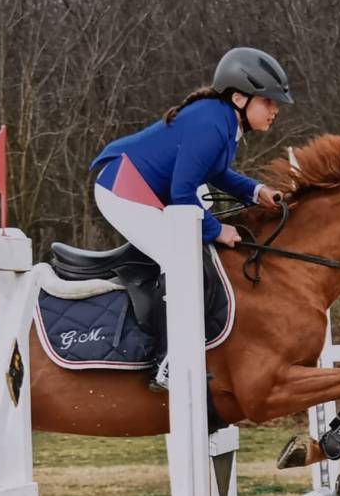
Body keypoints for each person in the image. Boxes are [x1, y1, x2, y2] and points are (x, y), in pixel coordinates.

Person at [90, 47, 291, 390]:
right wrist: (216, 229)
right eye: (268, 101)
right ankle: (167, 362)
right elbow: (183, 194)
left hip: (143, 188)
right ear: (239, 98)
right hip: (121, 189)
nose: (275, 110)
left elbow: (217, 173)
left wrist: (256, 190)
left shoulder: (223, 120)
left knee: (192, 255)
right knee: (182, 261)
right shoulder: (212, 124)